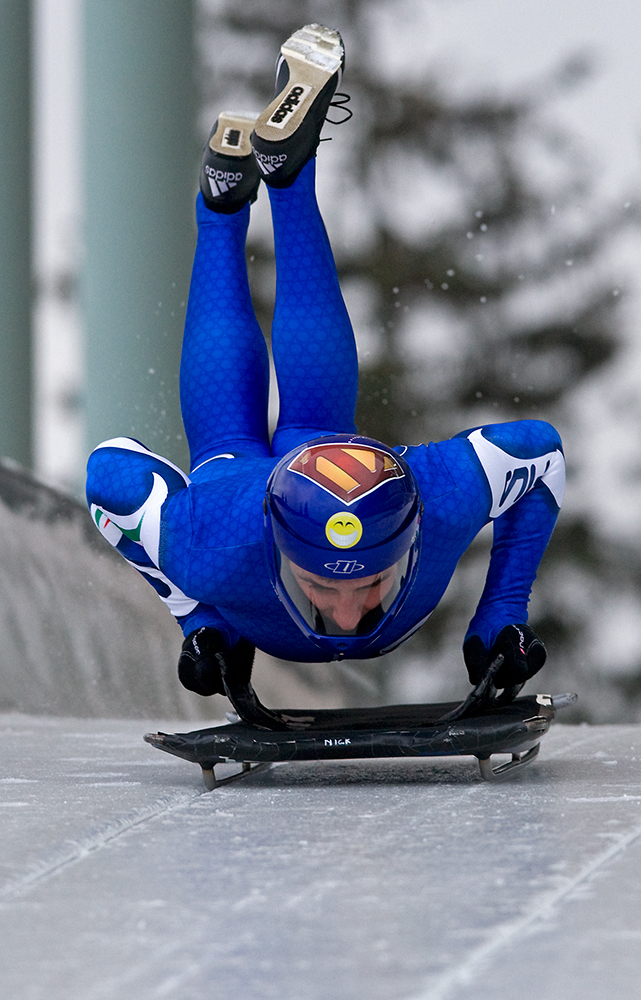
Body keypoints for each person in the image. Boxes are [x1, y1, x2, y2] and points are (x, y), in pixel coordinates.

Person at [86, 24, 565, 705]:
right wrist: (502, 610)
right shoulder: (221, 535)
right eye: (323, 586)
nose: (346, 617)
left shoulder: (208, 545)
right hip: (251, 491)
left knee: (237, 443)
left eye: (368, 581)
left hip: (252, 496)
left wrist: (198, 617)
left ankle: (234, 200)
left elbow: (110, 473)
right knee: (265, 438)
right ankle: (250, 190)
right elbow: (537, 456)